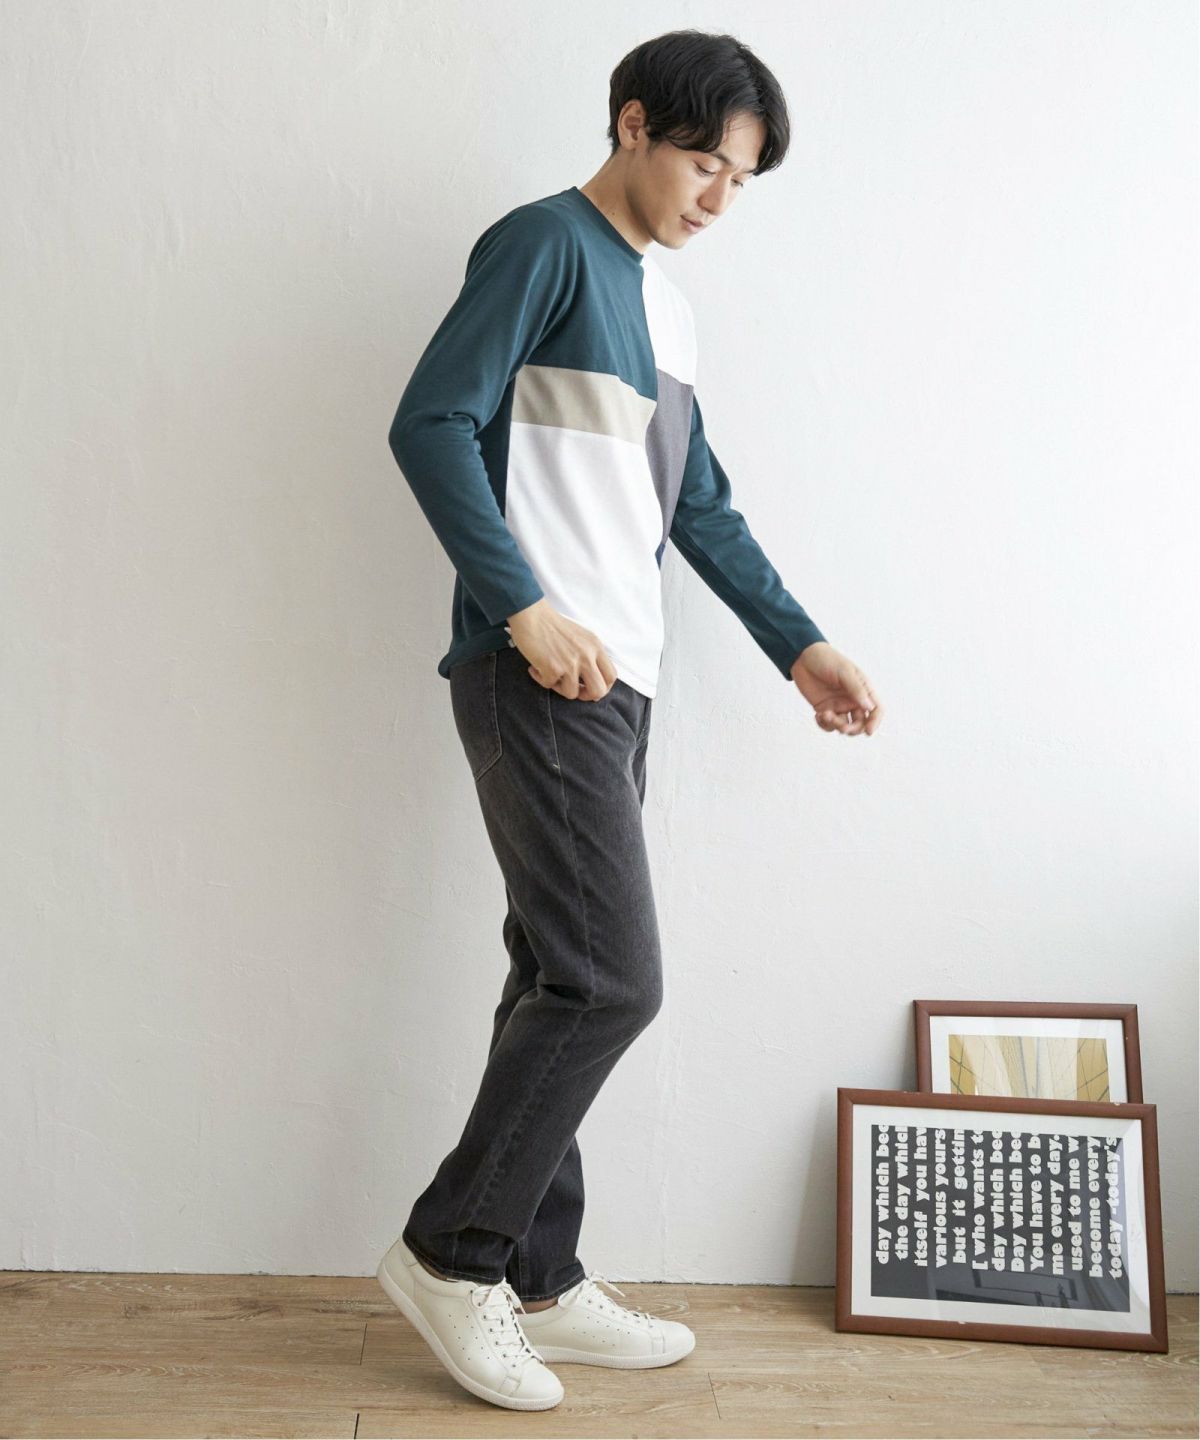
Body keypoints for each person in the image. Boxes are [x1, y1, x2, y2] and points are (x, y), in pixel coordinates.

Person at [376, 27, 884, 1412]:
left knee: (554, 973)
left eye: (743, 181)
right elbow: (430, 423)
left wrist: (800, 645)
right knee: (610, 981)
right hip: (541, 671)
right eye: (706, 163)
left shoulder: (666, 306)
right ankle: (450, 1255)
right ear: (633, 123)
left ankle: (538, 1274)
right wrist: (523, 611)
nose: (720, 197)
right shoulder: (542, 246)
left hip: (624, 683)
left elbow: (697, 502)